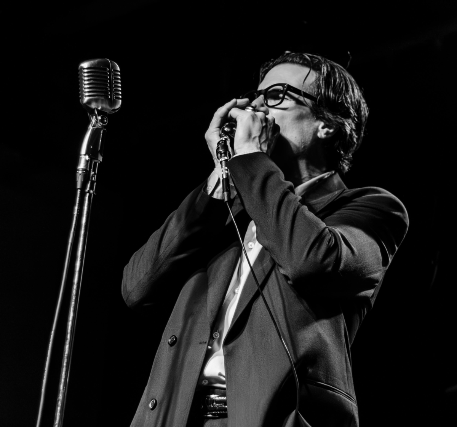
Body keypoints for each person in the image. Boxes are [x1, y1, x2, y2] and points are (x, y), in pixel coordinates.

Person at [122, 52, 409, 427]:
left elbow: (311, 261)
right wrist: (221, 178)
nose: (255, 107)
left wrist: (251, 157)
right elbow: (138, 286)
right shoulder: (227, 211)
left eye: (276, 95)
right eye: (255, 95)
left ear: (327, 124)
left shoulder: (372, 209)